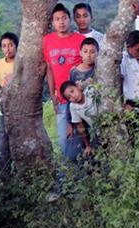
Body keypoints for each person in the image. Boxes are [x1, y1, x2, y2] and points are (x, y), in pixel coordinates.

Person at [43, 3, 85, 159]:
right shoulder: (47, 40)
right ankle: (68, 178)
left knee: (84, 136)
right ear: (53, 23)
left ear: (70, 20)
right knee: (64, 139)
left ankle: (86, 175)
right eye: (57, 19)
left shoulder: (80, 39)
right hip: (61, 99)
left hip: (80, 98)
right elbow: (49, 69)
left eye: (64, 18)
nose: (61, 22)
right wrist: (53, 95)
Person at [65, 37, 99, 161]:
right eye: (85, 51)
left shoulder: (99, 70)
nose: (89, 55)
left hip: (96, 113)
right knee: (79, 148)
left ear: (97, 53)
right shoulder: (74, 72)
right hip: (79, 115)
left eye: (92, 51)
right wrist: (69, 123)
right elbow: (69, 97)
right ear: (80, 53)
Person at [0, 32, 18, 180]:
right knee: (2, 145)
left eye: (10, 45)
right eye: (4, 46)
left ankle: (21, 177)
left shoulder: (21, 63)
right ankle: (4, 179)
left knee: (19, 145)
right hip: (4, 111)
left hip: (21, 110)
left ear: (16, 46)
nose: (7, 49)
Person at [61, 81, 99, 157]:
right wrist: (87, 146)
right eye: (69, 97)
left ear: (78, 87)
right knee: (92, 156)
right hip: (99, 132)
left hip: (110, 124)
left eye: (72, 91)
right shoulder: (73, 106)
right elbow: (80, 127)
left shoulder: (90, 91)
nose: (73, 97)